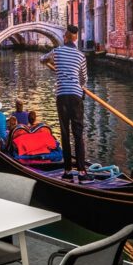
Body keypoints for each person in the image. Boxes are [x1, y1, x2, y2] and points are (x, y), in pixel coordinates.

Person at [41, 24, 90, 181]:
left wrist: (52, 64)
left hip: (62, 96)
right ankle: (82, 172)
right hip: (76, 96)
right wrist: (79, 87)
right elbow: (84, 79)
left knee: (64, 133)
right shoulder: (81, 56)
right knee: (78, 134)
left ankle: (67, 171)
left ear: (65, 37)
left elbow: (42, 59)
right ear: (75, 39)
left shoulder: (56, 52)